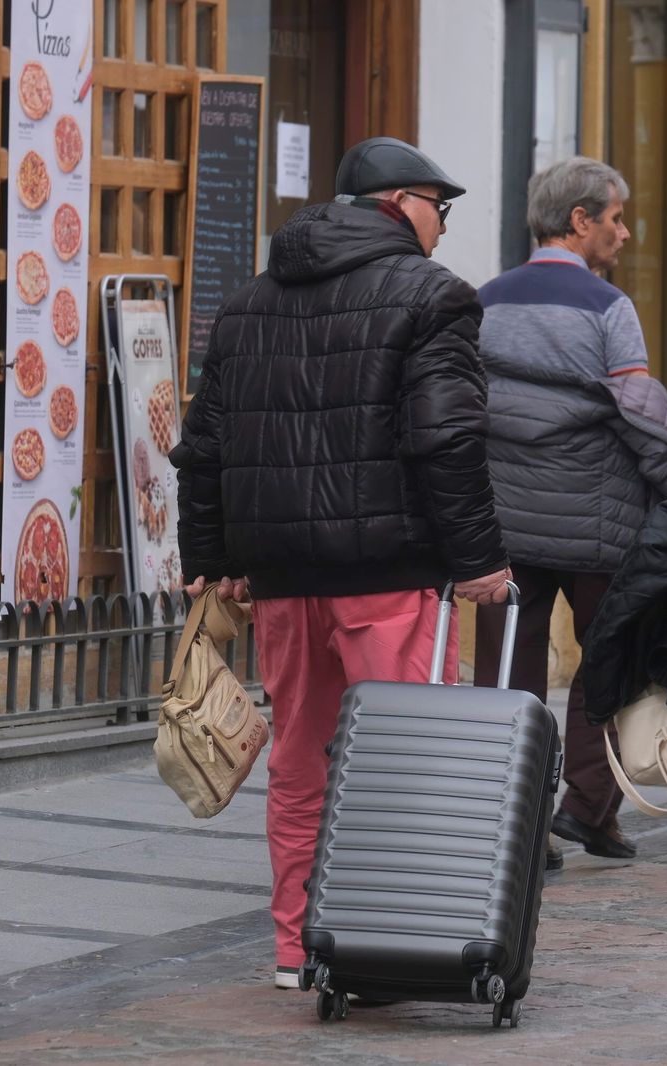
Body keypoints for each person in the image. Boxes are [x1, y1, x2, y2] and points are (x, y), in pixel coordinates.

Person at [171, 136, 512, 991]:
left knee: (300, 758)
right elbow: (448, 439)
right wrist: (478, 560)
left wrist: (211, 556)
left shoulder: (249, 302)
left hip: (283, 576)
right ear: (399, 203)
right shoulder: (434, 297)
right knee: (401, 762)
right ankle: (377, 943)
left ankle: (296, 948)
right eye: (442, 205)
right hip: (388, 571)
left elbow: (202, 445)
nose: (444, 224)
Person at [473, 157, 667, 868]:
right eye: (616, 218)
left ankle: (513, 824)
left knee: (507, 673)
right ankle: (589, 807)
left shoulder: (486, 300)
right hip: (598, 525)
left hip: (505, 523)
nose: (624, 234)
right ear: (580, 220)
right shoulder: (608, 308)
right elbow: (639, 414)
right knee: (609, 661)